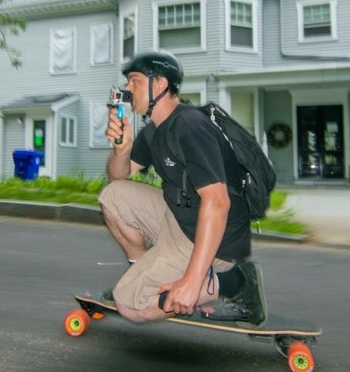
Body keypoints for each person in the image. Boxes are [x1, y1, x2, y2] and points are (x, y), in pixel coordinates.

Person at [100, 51, 268, 328]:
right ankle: (146, 274)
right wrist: (122, 149)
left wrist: (191, 281)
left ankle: (235, 282)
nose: (127, 89)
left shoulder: (191, 125)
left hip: (213, 238)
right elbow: (117, 176)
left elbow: (218, 202)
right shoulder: (154, 130)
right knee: (112, 196)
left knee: (131, 304)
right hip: (178, 219)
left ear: (160, 84)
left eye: (134, 81)